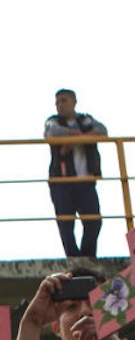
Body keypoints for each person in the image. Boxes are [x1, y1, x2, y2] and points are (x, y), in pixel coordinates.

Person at [44, 89, 107, 259]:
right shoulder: (53, 121)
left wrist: (73, 139)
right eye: (57, 102)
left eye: (64, 101)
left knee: (93, 221)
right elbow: (51, 133)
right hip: (62, 182)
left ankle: (87, 258)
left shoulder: (85, 119)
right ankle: (73, 259)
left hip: (86, 181)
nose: (60, 105)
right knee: (65, 222)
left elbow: (102, 131)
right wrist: (80, 137)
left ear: (74, 102)